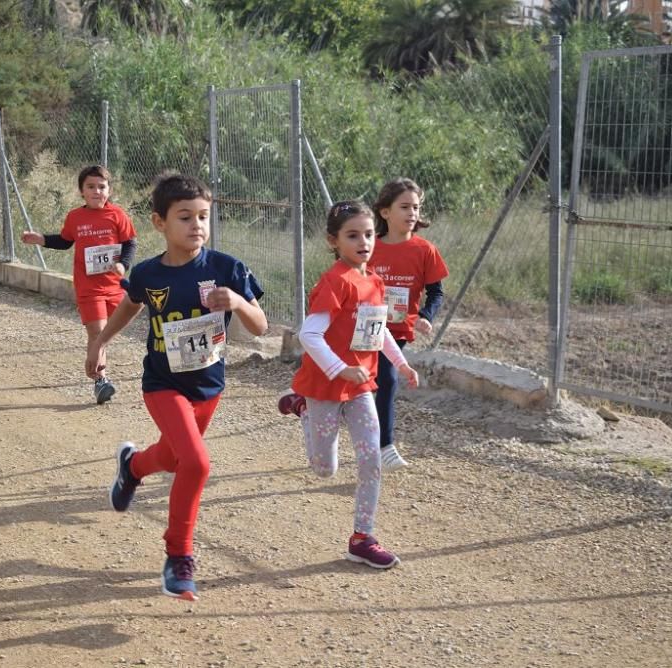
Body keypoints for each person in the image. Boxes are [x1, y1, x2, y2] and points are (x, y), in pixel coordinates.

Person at [85, 174, 267, 600]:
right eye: (185, 217)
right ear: (158, 223)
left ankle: (131, 467)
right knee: (197, 464)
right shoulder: (148, 273)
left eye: (204, 216)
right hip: (163, 384)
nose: (197, 225)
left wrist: (238, 303)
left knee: (172, 456)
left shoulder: (227, 268)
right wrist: (99, 342)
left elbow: (260, 327)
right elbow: (129, 306)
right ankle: (178, 556)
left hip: (209, 387)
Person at [277, 200, 419, 569]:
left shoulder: (374, 281)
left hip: (360, 387)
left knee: (372, 457)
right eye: (353, 235)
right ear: (333, 241)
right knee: (325, 469)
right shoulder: (335, 282)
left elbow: (378, 331)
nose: (364, 242)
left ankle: (362, 538)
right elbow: (309, 335)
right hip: (325, 386)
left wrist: (401, 364)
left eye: (369, 234)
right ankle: (303, 407)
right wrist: (340, 369)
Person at [22, 165, 137, 405]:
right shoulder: (75, 217)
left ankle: (95, 362)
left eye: (102, 187)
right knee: (96, 332)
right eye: (91, 187)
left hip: (115, 286)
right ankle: (100, 381)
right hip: (88, 288)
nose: (97, 191)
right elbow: (65, 241)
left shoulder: (118, 215)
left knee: (106, 332)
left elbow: (129, 244)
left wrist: (123, 265)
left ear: (109, 190)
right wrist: (41, 239)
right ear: (81, 192)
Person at [367, 179, 448, 472]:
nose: (412, 212)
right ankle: (311, 404)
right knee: (362, 380)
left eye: (416, 207)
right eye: (404, 207)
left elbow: (436, 291)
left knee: (386, 378)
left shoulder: (424, 250)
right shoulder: (369, 245)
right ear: (385, 212)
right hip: (362, 325)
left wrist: (426, 315)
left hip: (398, 330)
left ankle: (383, 446)